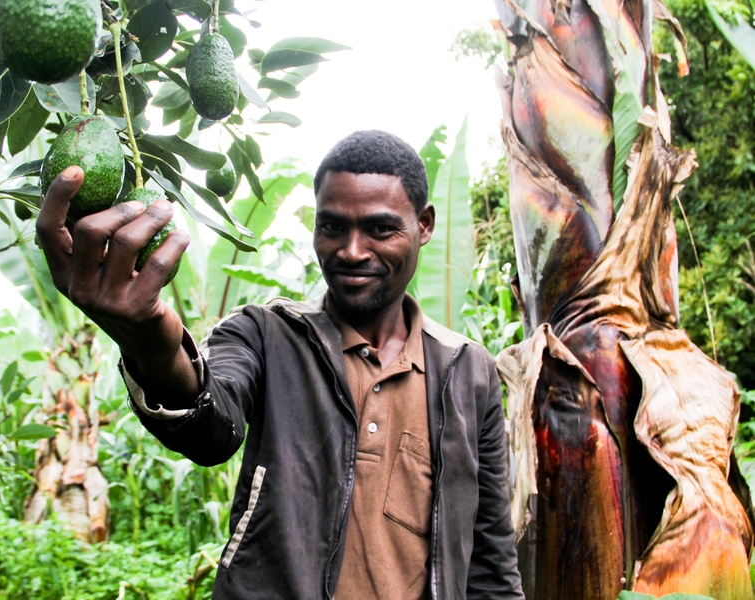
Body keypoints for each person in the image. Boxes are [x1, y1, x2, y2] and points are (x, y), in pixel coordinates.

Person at [37, 130, 524, 599]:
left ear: (424, 225)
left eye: (379, 228)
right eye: (332, 226)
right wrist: (151, 341)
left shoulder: (469, 372)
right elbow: (211, 427)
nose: (352, 251)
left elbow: (491, 559)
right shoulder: (266, 333)